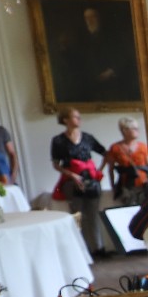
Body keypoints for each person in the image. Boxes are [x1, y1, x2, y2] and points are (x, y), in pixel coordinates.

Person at [50, 107, 108, 256]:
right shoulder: (58, 140)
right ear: (65, 120)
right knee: (77, 215)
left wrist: (98, 171)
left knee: (93, 214)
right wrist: (72, 175)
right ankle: (82, 251)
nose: (79, 119)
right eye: (75, 117)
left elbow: (106, 153)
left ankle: (98, 248)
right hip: (71, 181)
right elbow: (56, 164)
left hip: (91, 180)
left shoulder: (87, 137)